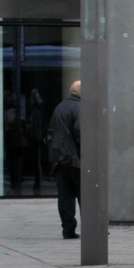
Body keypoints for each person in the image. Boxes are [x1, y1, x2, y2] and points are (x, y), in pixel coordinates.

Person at [47, 80, 82, 239]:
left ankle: (68, 230)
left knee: (65, 196)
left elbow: (50, 132)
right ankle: (92, 229)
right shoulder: (79, 107)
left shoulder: (60, 107)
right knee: (86, 194)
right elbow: (81, 133)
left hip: (60, 158)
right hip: (75, 158)